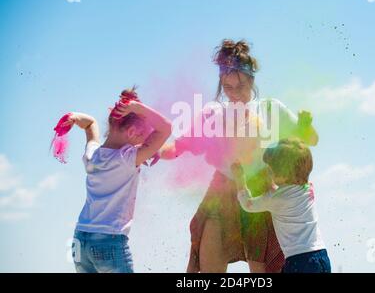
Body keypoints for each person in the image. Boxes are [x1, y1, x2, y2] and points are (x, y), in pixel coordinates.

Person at [161, 39, 318, 273]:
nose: (234, 94)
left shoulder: (269, 109)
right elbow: (178, 146)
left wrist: (305, 126)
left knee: (262, 272)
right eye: (228, 87)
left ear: (252, 80)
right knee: (208, 265)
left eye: (241, 86)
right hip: (221, 190)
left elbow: (311, 139)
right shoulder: (213, 113)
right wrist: (150, 151)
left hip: (261, 190)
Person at [68, 87, 172, 273]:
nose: (145, 142)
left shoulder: (92, 155)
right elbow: (166, 128)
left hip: (79, 239)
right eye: (143, 136)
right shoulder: (127, 158)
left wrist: (73, 117)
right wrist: (138, 108)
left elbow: (90, 124)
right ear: (132, 132)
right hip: (109, 240)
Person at [233, 138, 331, 273]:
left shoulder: (275, 198)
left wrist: (240, 180)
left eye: (271, 169)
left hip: (299, 261)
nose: (270, 171)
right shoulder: (308, 189)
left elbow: (248, 204)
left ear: (283, 173)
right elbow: (283, 193)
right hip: (321, 257)